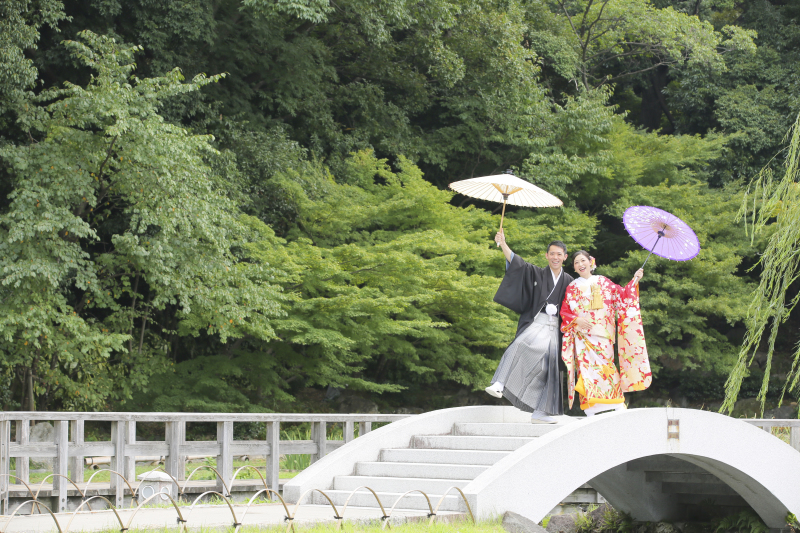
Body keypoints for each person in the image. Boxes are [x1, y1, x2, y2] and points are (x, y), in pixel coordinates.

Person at [486, 229, 574, 423]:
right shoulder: (537, 273)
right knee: (519, 344)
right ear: (547, 255)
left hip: (556, 329)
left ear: (565, 257)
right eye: (552, 253)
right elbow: (518, 264)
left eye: (559, 254)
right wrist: (503, 244)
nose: (555, 257)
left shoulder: (570, 281)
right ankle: (500, 382)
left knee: (547, 369)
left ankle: (541, 412)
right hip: (537, 322)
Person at [560, 251, 652, 416]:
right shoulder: (572, 287)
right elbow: (565, 311)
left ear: (590, 262)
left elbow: (622, 296)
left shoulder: (603, 282)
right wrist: (576, 320)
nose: (580, 264)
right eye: (576, 262)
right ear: (574, 267)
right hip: (583, 336)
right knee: (585, 370)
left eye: (583, 260)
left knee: (606, 367)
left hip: (603, 335)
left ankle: (616, 402)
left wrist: (635, 279)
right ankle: (590, 407)